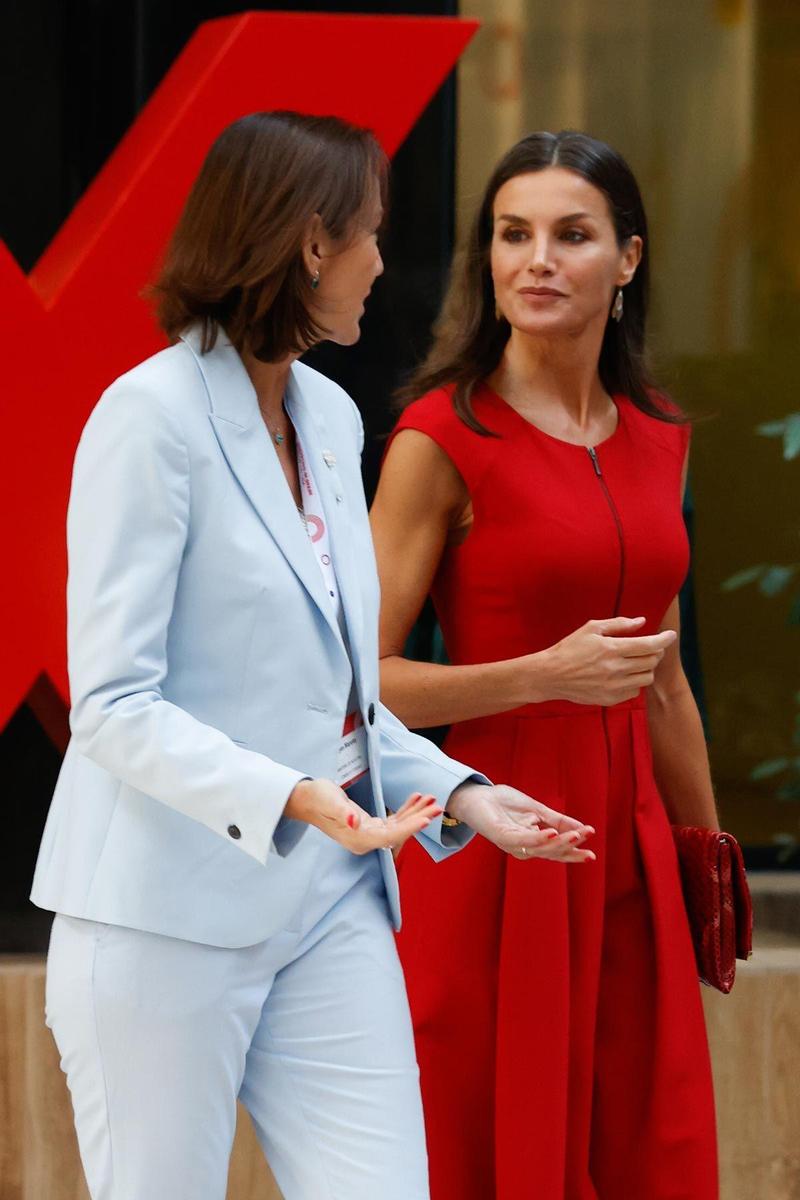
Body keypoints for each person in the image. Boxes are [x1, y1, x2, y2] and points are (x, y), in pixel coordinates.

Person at [30, 112, 595, 1200]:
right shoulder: (146, 420)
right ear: (309, 245)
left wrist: (462, 793)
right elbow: (110, 704)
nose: (386, 261)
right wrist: (295, 796)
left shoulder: (331, 417)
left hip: (333, 898)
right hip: (161, 917)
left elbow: (326, 695)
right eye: (372, 234)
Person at [371, 130, 719, 1199]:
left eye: (571, 236)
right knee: (492, 1146)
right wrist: (533, 676)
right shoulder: (440, 436)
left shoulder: (660, 434)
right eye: (511, 234)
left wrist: (703, 860)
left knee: (641, 1145)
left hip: (631, 852)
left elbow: (660, 678)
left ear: (626, 261)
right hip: (493, 839)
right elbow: (355, 680)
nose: (536, 259)